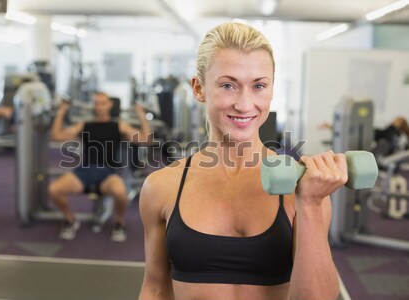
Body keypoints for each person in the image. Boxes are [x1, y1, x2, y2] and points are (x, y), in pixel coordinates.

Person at [139, 22, 343, 300]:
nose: (245, 105)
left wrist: (310, 203)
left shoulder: (303, 189)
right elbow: (154, 288)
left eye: (259, 86)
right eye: (228, 85)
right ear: (199, 89)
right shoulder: (161, 187)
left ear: (272, 91)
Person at [49, 91, 151, 241]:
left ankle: (120, 223)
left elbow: (145, 139)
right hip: (85, 172)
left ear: (110, 104)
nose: (99, 107)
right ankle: (70, 220)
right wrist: (61, 112)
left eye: (103, 103)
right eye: (96, 103)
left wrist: (141, 115)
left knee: (121, 193)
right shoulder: (84, 125)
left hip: (107, 174)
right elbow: (57, 136)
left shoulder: (119, 126)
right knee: (54, 190)